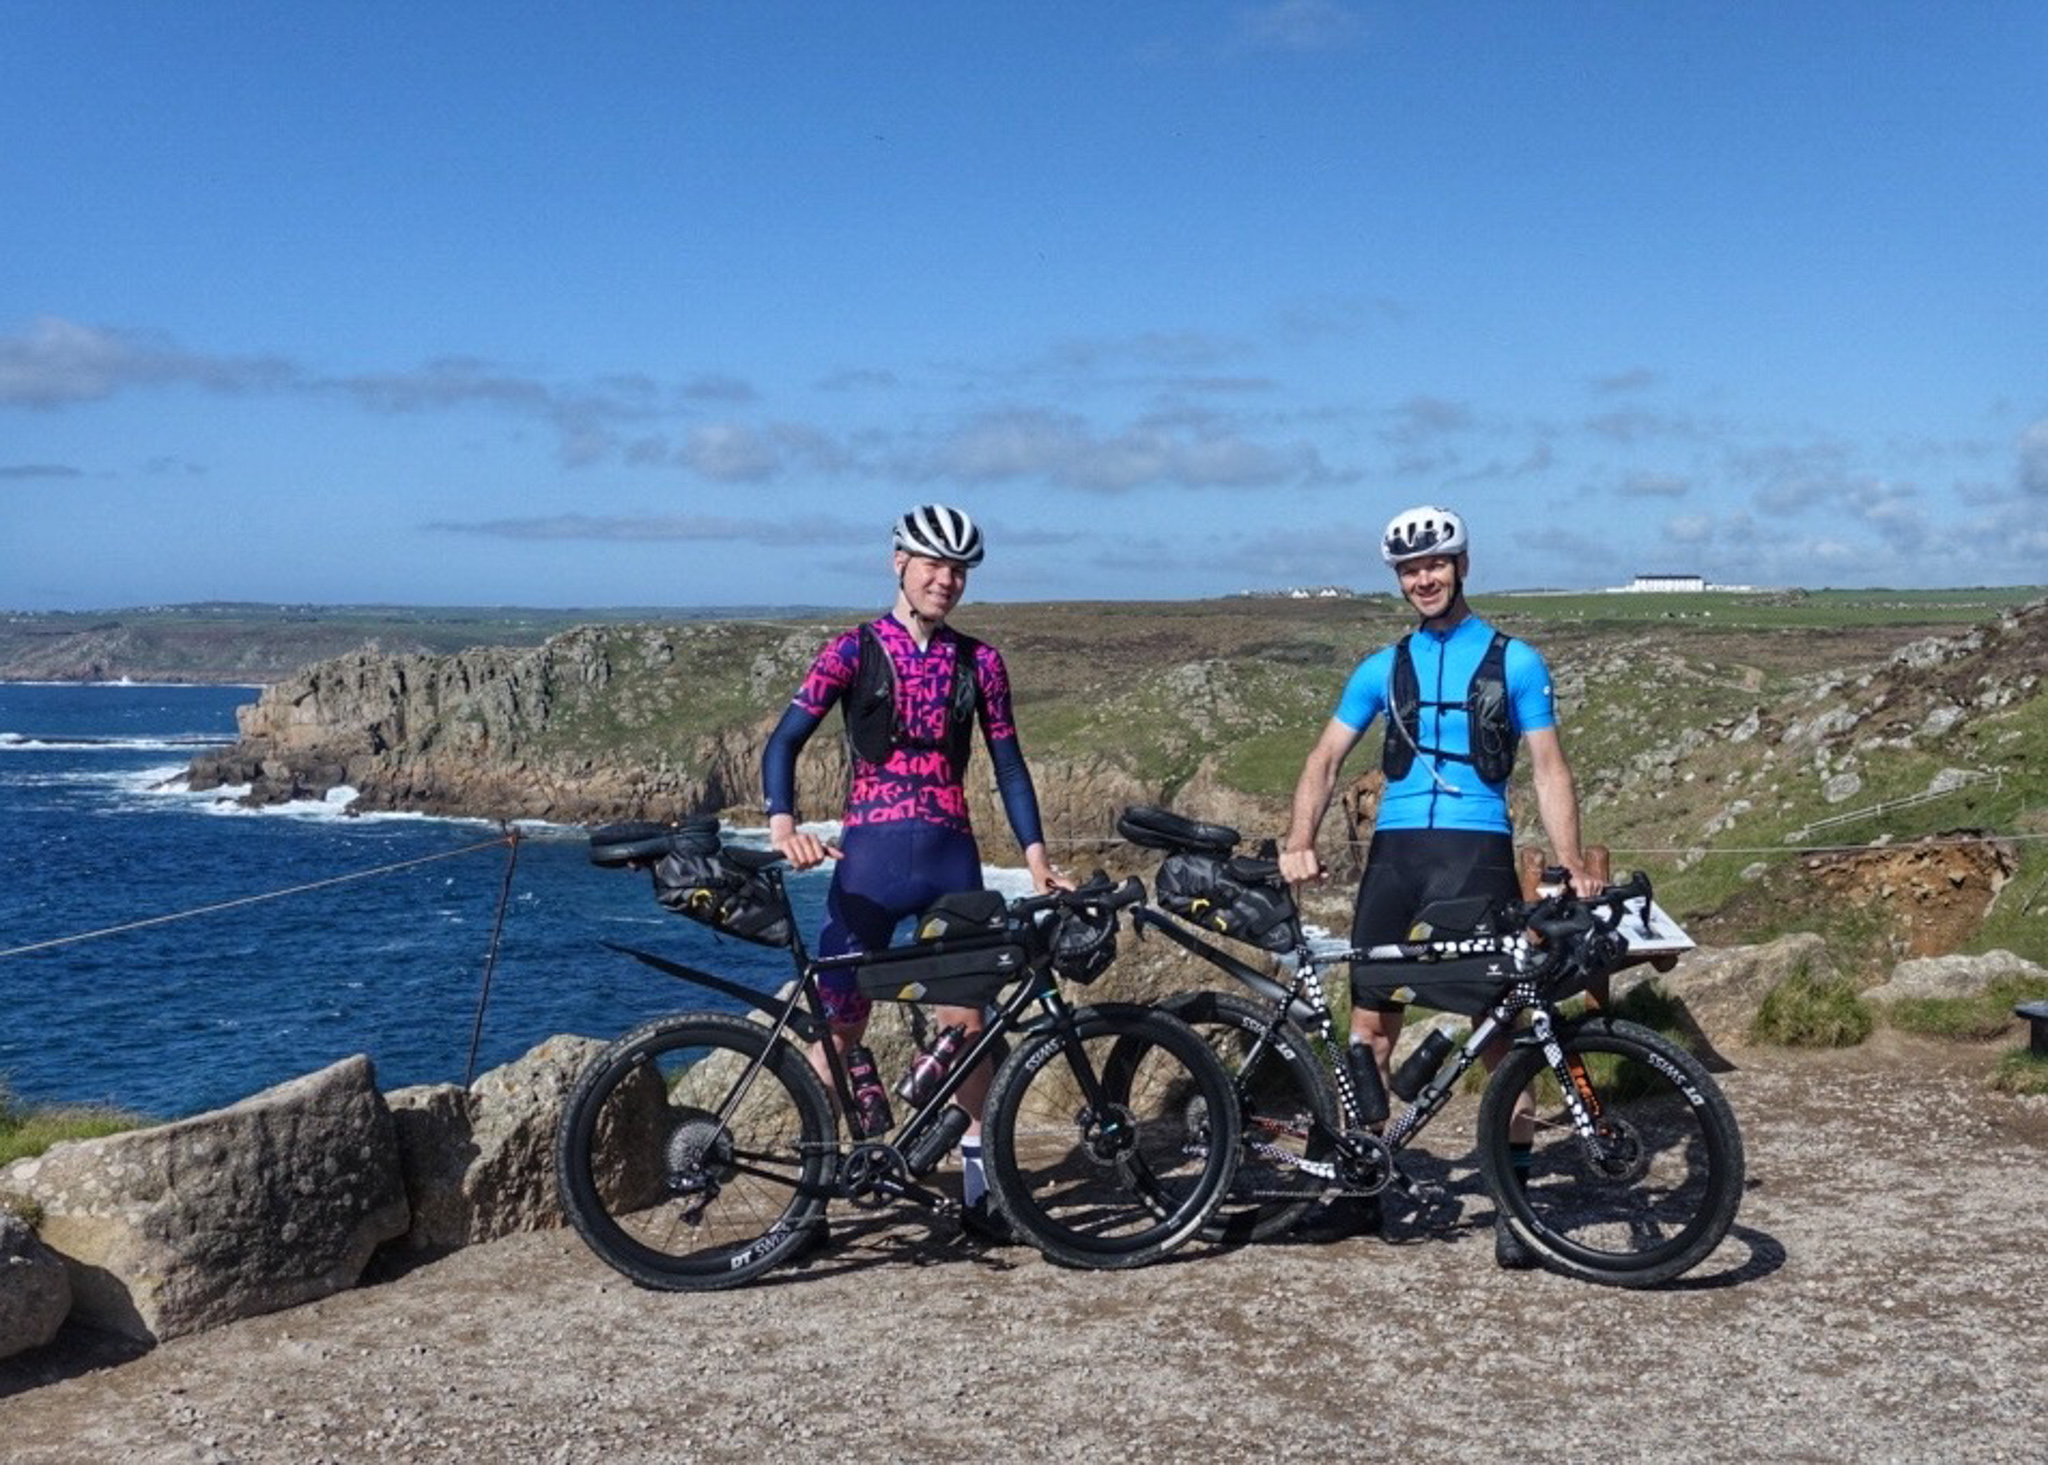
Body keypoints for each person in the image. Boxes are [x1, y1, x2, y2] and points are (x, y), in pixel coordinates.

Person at [1277, 503, 1600, 1269]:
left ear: (1462, 566)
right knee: (1369, 1031)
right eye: (1410, 569)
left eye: (1435, 564)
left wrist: (1571, 863)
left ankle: (1514, 1206)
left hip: (1476, 849)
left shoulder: (1517, 661)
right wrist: (1298, 841)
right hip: (1395, 853)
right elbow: (1325, 758)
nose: (1423, 578)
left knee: (1501, 1034)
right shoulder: (1381, 668)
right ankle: (1362, 1188)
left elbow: (1549, 768)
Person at [763, 503, 1063, 1243]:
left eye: (958, 570)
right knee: (837, 1031)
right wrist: (784, 827)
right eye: (933, 564)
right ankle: (807, 1204)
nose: (946, 580)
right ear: (899, 562)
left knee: (969, 1029)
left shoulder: (981, 662)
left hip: (951, 858)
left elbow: (1009, 766)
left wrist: (1036, 860)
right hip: (868, 863)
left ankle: (981, 1193)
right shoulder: (852, 649)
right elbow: (784, 741)